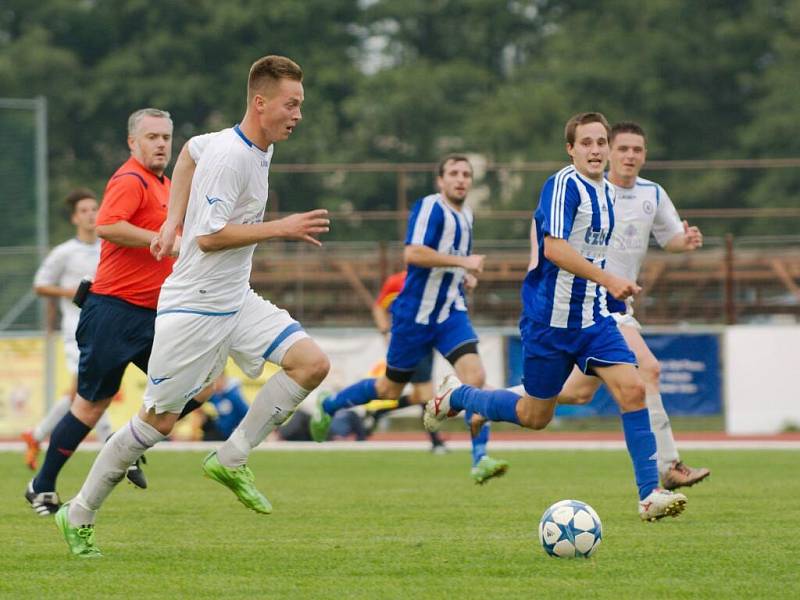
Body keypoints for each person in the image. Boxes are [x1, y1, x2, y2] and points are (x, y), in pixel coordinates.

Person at [55, 55, 331, 557]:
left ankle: (232, 457)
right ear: (260, 101)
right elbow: (207, 239)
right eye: (291, 105)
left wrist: (168, 220)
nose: (298, 115)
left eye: (301, 105)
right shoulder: (233, 157)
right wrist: (282, 227)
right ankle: (77, 512)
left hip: (234, 299)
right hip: (194, 307)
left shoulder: (241, 145)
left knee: (311, 363)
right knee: (154, 424)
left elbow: (187, 153)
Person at [424, 112, 688, 521]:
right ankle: (457, 395)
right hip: (550, 322)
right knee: (534, 416)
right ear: (571, 149)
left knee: (633, 390)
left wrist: (611, 294)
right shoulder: (564, 184)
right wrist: (609, 279)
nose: (596, 150)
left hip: (594, 320)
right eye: (587, 143)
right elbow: (555, 249)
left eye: (601, 142)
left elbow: (596, 254)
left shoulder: (606, 193)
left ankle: (649, 494)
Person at [25, 107, 196, 516]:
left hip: (152, 316)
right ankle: (42, 485)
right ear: (132, 143)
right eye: (151, 137)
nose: (160, 144)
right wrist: (163, 239)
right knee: (89, 406)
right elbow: (107, 225)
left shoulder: (167, 184)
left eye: (166, 138)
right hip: (113, 313)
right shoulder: (130, 179)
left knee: (193, 387)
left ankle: (127, 440)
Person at [309, 155, 509, 485]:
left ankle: (480, 459)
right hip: (413, 317)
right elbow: (413, 254)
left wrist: (464, 276)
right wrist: (464, 261)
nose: (461, 179)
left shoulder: (467, 215)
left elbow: (456, 264)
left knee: (475, 375)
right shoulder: (430, 208)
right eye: (454, 174)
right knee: (390, 386)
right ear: (440, 181)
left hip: (448, 314)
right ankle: (329, 405)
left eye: (466, 174)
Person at [556, 121, 710, 490]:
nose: (630, 156)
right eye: (622, 148)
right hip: (592, 302)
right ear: (608, 151)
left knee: (574, 393)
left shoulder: (652, 194)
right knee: (649, 368)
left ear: (644, 155)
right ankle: (669, 466)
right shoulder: (589, 191)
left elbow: (668, 238)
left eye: (637, 150)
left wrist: (685, 241)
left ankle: (483, 398)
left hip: (620, 308)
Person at [23, 189, 110, 476]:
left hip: (104, 327)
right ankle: (111, 446)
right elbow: (40, 285)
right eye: (84, 210)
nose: (90, 214)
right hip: (76, 330)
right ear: (75, 218)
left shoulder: (108, 246)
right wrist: (70, 292)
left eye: (94, 208)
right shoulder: (64, 252)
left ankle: (36, 436)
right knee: (90, 388)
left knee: (83, 392)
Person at [370, 271, 447, 454]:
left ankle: (379, 411)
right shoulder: (396, 281)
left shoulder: (437, 280)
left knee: (421, 395)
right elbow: (379, 307)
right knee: (427, 394)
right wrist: (385, 331)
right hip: (408, 342)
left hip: (428, 343)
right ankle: (436, 442)